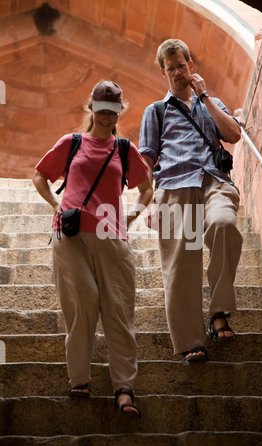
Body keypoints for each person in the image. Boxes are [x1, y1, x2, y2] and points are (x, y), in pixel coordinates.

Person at [32, 80, 153, 416]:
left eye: (111, 112)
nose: (105, 116)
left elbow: (146, 189)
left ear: (118, 113)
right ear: (91, 108)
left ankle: (125, 388)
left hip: (111, 236)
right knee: (82, 302)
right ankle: (79, 378)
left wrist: (130, 217)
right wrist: (55, 207)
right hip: (69, 235)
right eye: (100, 109)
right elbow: (40, 176)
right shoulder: (71, 143)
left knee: (117, 308)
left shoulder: (125, 149)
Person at [139, 39, 243, 362]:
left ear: (190, 66)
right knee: (180, 265)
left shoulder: (210, 102)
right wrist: (150, 200)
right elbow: (145, 161)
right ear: (163, 72)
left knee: (224, 223)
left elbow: (234, 134)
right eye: (170, 69)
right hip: (172, 186)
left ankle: (218, 311)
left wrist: (206, 97)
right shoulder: (155, 112)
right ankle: (191, 342)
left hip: (213, 179)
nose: (177, 73)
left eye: (181, 66)